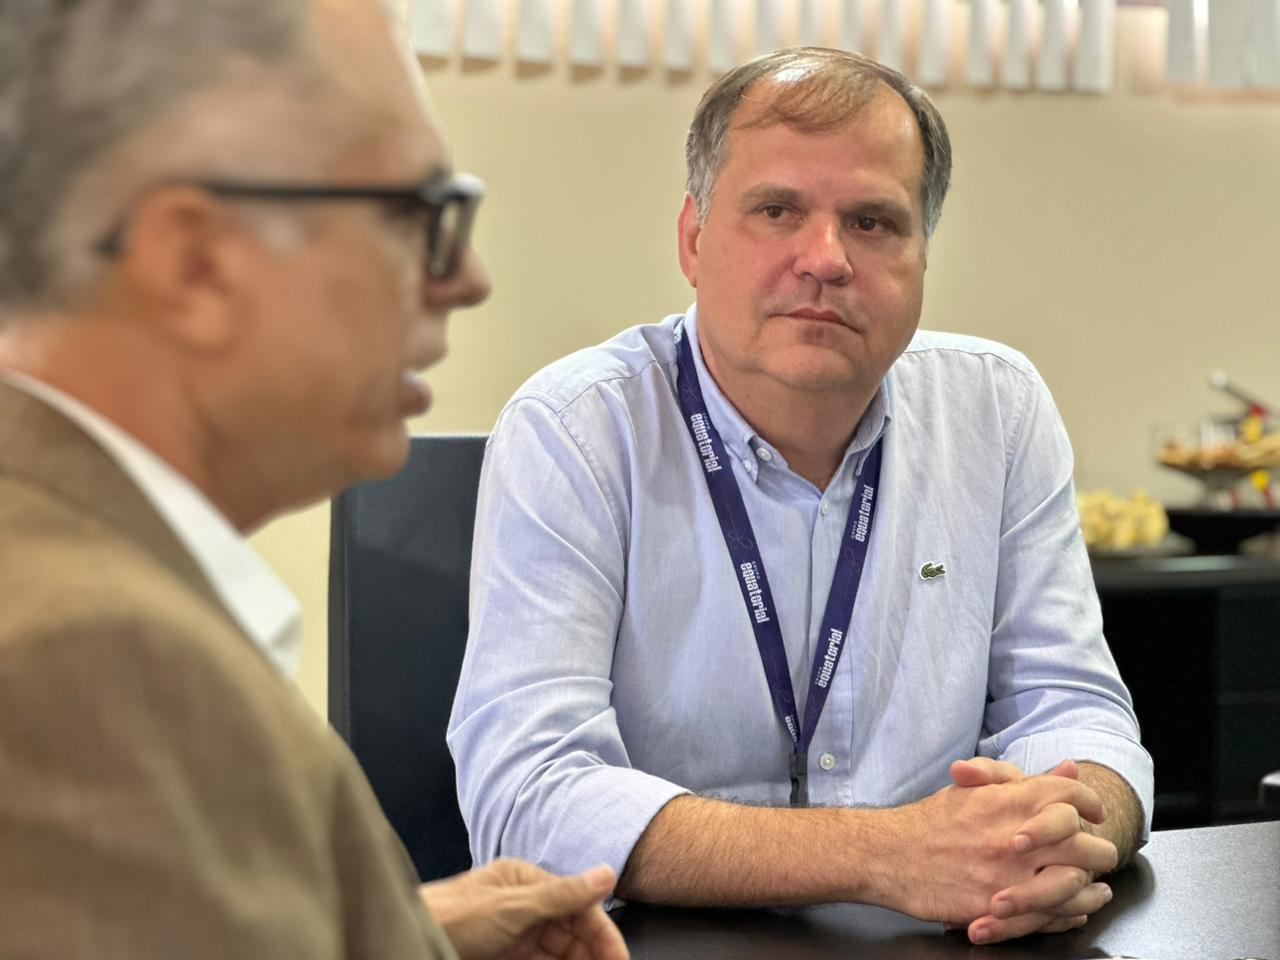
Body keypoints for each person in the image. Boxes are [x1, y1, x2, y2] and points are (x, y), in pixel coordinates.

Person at [448, 47, 1153, 946]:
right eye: (777, 210)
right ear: (693, 239)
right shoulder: (575, 430)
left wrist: (1062, 835)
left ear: (922, 255)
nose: (825, 259)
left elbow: (1073, 708)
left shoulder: (997, 410)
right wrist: (887, 855)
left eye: (872, 221)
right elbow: (529, 798)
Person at [0, 2, 627, 958]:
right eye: (419, 214)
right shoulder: (92, 659)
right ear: (196, 263)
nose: (466, 278)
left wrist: (392, 930)